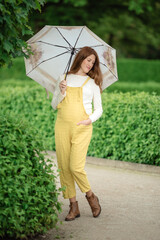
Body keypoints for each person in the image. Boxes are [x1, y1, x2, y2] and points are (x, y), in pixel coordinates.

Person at [51, 46, 103, 221]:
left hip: (82, 128)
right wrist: (62, 92)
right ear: (80, 58)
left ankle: (90, 196)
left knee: (75, 167)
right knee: (64, 168)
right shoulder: (63, 78)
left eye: (93, 62)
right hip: (62, 127)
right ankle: (73, 207)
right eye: (88, 60)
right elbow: (53, 105)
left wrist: (89, 120)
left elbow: (99, 109)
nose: (90, 64)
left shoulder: (92, 83)